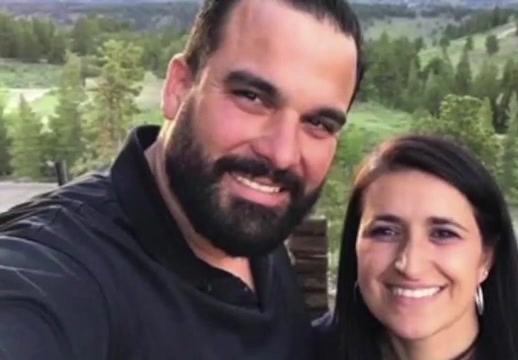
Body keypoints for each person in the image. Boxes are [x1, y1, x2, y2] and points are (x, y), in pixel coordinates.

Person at [0, 0, 364, 359]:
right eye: (252, 97)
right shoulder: (66, 269)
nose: (282, 154)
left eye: (318, 123)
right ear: (178, 87)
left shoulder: (247, 222)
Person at [313, 134, 518, 360]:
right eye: (385, 231)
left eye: (443, 234)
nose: (410, 265)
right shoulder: (296, 351)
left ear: (486, 257)